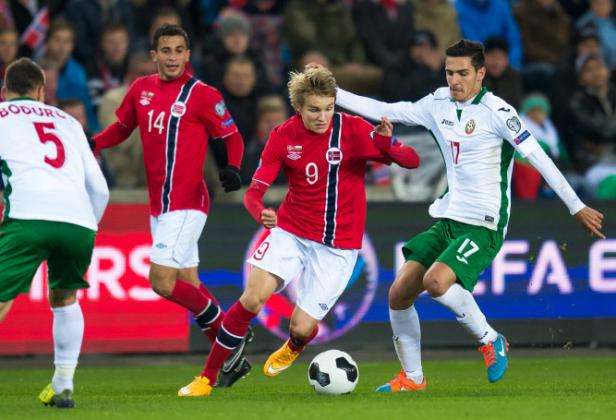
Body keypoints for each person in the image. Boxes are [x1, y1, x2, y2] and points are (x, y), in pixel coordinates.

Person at [333, 39, 605, 392]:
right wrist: (335, 92)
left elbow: (538, 157)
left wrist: (576, 205)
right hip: (450, 217)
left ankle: (491, 339)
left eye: (463, 73)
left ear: (481, 73)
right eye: (449, 72)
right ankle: (413, 378)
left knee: (436, 283)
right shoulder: (437, 103)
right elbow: (388, 108)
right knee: (399, 294)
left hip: (485, 222)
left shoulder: (499, 112)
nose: (455, 81)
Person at [179, 66, 421, 397]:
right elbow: (253, 192)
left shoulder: (352, 130)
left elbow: (412, 160)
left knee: (302, 326)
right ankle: (206, 378)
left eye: (328, 108)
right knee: (252, 298)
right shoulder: (283, 135)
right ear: (299, 108)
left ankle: (294, 345)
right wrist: (260, 212)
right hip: (291, 232)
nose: (322, 117)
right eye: (314, 110)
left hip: (338, 247)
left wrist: (385, 144)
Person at [92, 24, 250, 391]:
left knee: (161, 282)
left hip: (187, 202)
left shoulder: (202, 94)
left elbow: (231, 135)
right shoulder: (141, 90)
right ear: (154, 55)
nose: (173, 57)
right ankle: (230, 353)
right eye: (166, 50)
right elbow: (121, 127)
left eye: (179, 50)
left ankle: (232, 333)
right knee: (189, 283)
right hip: (159, 205)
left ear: (188, 55)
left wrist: (233, 167)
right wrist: (93, 143)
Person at [0, 58, 109, 408]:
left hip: (28, 216)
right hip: (78, 222)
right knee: (65, 298)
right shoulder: (69, 122)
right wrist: (88, 226)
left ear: (6, 91)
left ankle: (62, 385)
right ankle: (63, 385)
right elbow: (100, 189)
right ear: (41, 91)